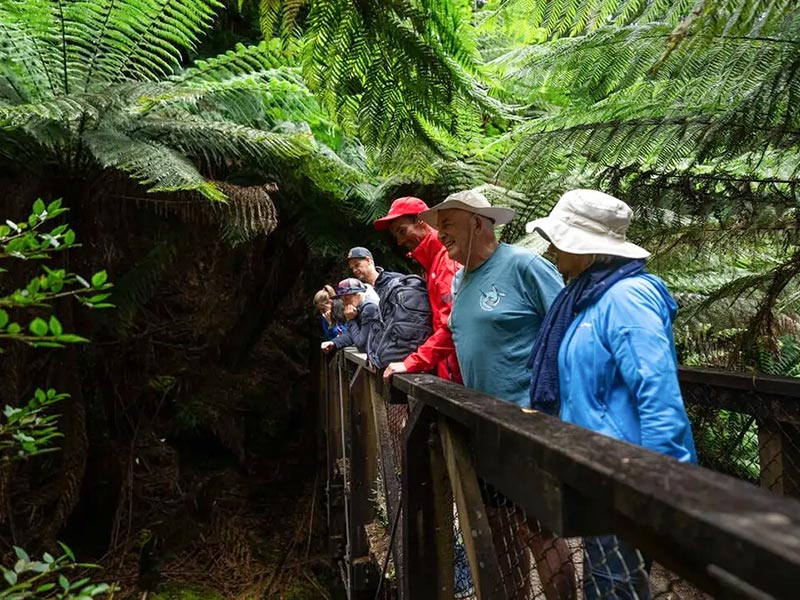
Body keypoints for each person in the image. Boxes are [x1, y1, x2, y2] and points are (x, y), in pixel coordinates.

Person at [527, 189, 697, 600]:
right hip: (598, 470)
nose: (551, 249)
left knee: (617, 586)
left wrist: (660, 484)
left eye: (558, 238)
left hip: (626, 473)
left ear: (585, 248)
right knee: (606, 581)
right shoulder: (586, 298)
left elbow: (656, 390)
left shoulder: (626, 296)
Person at [419, 189, 575, 600]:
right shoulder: (459, 279)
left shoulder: (524, 267)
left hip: (529, 426)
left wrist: (558, 410)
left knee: (537, 530)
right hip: (483, 429)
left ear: (477, 222)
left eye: (448, 224)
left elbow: (568, 332)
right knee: (498, 526)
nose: (440, 235)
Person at [373, 196, 462, 383]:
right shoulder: (432, 266)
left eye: (402, 231)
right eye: (396, 235)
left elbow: (453, 325)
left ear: (422, 223)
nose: (399, 241)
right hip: (449, 371)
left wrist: (412, 362)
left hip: (460, 376)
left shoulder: (447, 262)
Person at [320, 278, 381, 355]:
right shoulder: (359, 306)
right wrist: (334, 343)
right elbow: (352, 334)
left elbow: (361, 345)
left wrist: (350, 320)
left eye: (347, 299)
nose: (344, 303)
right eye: (342, 299)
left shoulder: (369, 308)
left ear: (358, 295)